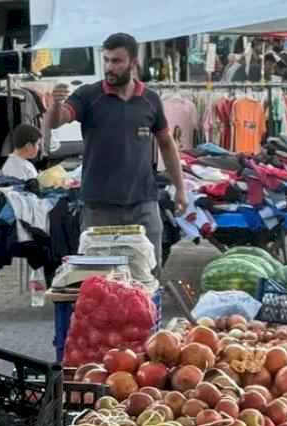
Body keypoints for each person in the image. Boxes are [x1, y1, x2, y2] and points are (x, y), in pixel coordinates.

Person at [47, 32, 188, 273]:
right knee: (99, 278)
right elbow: (57, 121)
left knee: (148, 276)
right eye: (107, 60)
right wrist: (55, 105)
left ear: (133, 63)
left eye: (117, 61)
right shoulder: (89, 95)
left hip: (143, 204)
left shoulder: (150, 99)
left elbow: (166, 143)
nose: (109, 67)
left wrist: (180, 189)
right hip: (99, 207)